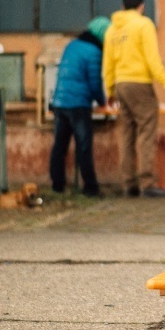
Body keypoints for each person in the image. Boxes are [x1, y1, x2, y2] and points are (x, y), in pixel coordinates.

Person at [102, 0, 165, 197]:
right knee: (147, 132)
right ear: (141, 6)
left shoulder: (112, 29)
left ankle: (128, 183)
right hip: (139, 83)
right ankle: (147, 184)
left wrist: (110, 90)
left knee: (126, 133)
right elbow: (152, 57)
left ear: (122, 7)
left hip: (120, 83)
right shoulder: (143, 24)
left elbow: (108, 63)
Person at [49, 16, 110, 197]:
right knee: (83, 146)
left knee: (59, 145)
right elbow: (94, 82)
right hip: (77, 104)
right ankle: (90, 188)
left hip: (59, 103)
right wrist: (101, 101)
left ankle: (57, 185)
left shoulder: (72, 45)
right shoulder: (93, 52)